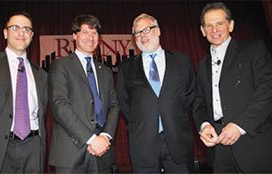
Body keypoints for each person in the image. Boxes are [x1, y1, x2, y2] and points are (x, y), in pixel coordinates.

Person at [193, 2, 272, 173]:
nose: (214, 30)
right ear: (202, 30)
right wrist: (204, 125)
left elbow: (267, 91)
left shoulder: (254, 50)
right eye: (209, 25)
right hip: (218, 150)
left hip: (253, 144)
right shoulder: (201, 66)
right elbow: (198, 102)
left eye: (219, 23)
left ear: (231, 25)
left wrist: (239, 125)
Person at [116, 13, 195, 173]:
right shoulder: (126, 68)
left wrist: (172, 114)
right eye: (137, 33)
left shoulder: (181, 61)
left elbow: (190, 95)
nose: (141, 36)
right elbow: (123, 102)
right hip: (143, 144)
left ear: (158, 30)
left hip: (177, 140)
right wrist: (144, 119)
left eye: (146, 30)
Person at [0, 11, 48, 173]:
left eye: (27, 29)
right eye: (15, 27)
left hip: (33, 149)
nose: (21, 33)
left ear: (32, 35)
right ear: (5, 33)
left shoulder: (42, 75)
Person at [48, 14, 119, 173]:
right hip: (71, 152)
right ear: (74, 35)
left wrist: (105, 136)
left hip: (103, 151)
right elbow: (59, 105)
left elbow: (114, 106)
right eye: (85, 32)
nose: (91, 37)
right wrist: (91, 139)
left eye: (94, 33)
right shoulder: (60, 66)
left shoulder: (106, 71)